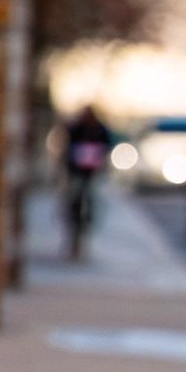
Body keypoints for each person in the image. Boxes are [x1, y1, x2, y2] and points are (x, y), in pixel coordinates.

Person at [60, 106, 112, 259]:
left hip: (91, 175)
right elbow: (66, 149)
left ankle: (83, 233)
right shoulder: (76, 129)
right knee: (74, 201)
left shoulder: (100, 130)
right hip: (76, 173)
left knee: (90, 202)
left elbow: (105, 150)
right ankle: (74, 236)